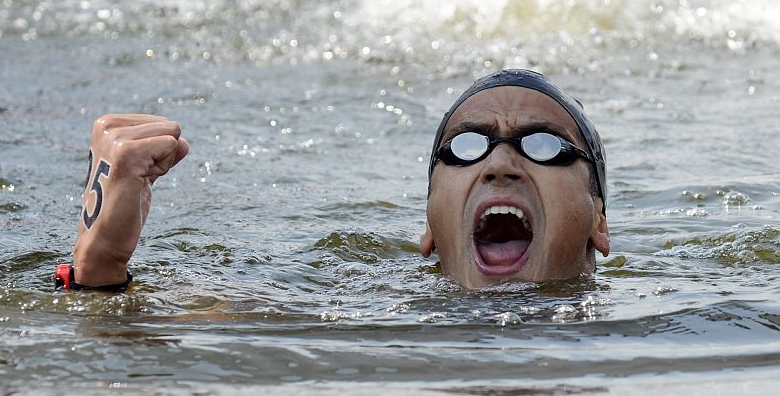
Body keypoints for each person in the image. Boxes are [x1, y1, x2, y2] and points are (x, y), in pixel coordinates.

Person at [55, 69, 610, 291]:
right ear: (429, 229)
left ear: (599, 221)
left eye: (543, 144)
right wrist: (98, 262)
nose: (499, 165)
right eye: (465, 147)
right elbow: (130, 362)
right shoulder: (350, 301)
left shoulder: (675, 310)